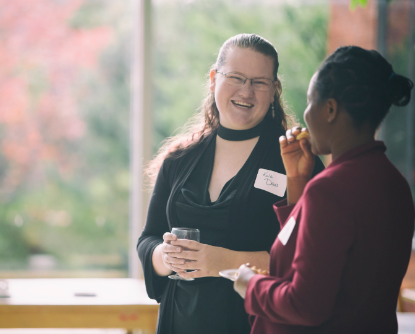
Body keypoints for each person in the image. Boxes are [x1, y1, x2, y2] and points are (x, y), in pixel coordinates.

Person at [137, 33, 324, 334]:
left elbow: (307, 261)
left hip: (253, 323)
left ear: (274, 89)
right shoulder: (179, 159)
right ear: (213, 79)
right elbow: (148, 239)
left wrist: (222, 261)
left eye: (259, 82)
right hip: (177, 321)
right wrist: (166, 256)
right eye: (236, 77)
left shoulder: (296, 162)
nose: (246, 92)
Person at [234, 45, 415, 334]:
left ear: (330, 109)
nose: (305, 114)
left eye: (309, 102)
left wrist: (250, 285)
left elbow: (305, 305)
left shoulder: (330, 190)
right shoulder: (395, 184)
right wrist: (296, 184)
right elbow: (327, 260)